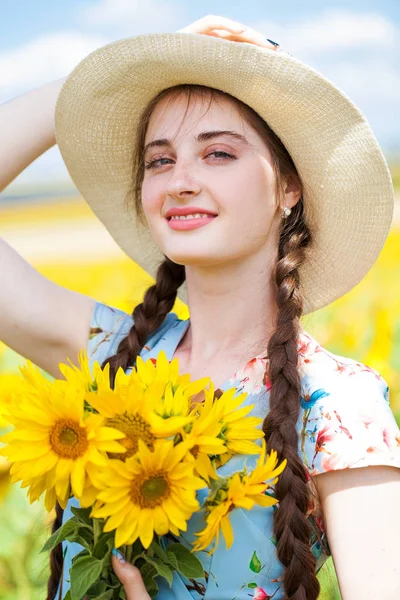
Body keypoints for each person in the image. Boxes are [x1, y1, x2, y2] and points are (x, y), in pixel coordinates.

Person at [1, 13, 400, 600]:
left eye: (217, 153)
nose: (180, 180)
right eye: (159, 160)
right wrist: (113, 76)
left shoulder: (339, 405)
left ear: (289, 187)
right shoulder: (109, 356)